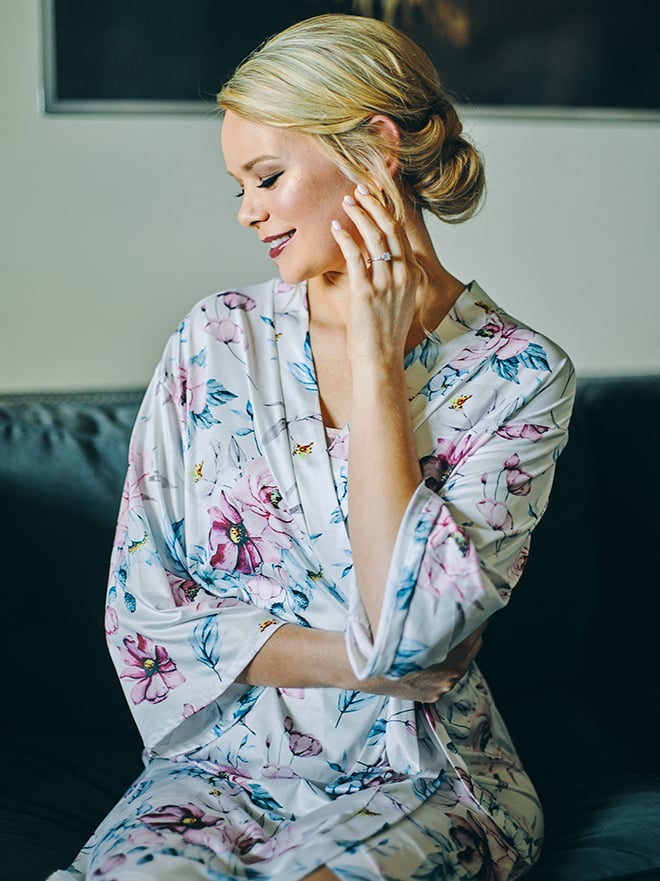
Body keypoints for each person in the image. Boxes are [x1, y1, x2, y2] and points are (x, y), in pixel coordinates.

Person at [48, 13, 575, 881]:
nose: (249, 211)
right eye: (239, 187)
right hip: (216, 770)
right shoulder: (214, 340)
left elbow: (419, 631)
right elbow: (143, 618)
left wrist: (373, 360)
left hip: (418, 774)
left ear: (374, 150)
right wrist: (361, 662)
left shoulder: (519, 376)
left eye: (266, 176)